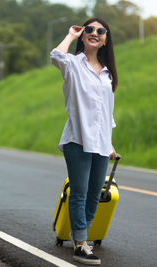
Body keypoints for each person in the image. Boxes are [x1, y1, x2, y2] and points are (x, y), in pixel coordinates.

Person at [50, 17, 118, 266]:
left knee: (93, 195)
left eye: (101, 31)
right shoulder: (73, 64)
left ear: (105, 39)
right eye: (89, 29)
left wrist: (109, 142)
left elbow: (106, 112)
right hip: (77, 139)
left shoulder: (108, 73)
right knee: (78, 193)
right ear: (83, 34)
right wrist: (71, 35)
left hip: (100, 143)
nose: (95, 33)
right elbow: (56, 56)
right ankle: (80, 244)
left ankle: (80, 234)